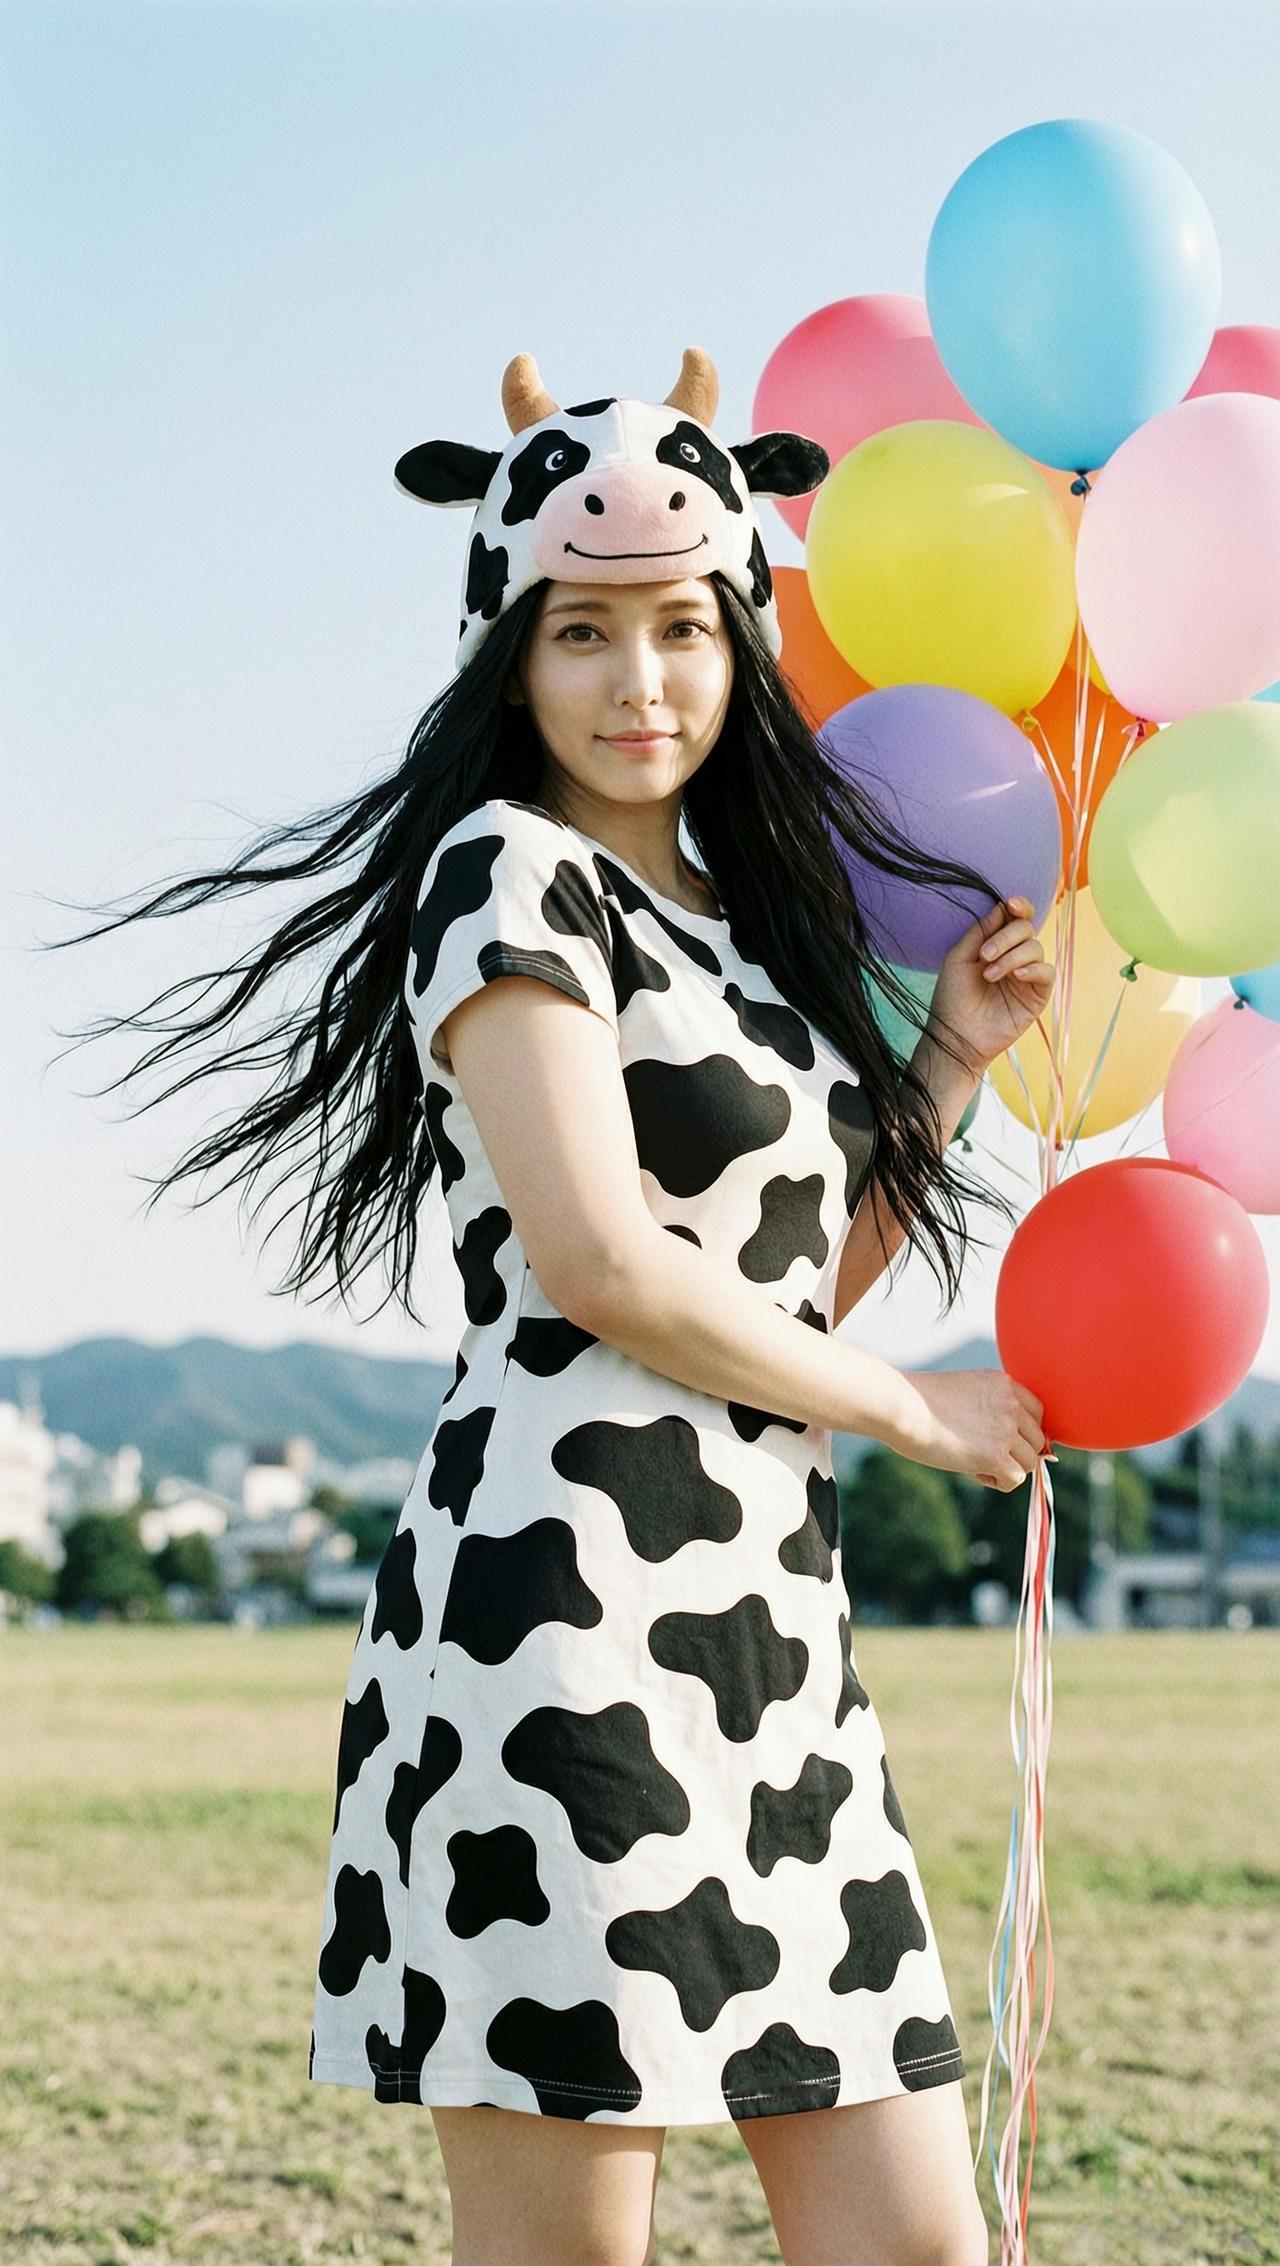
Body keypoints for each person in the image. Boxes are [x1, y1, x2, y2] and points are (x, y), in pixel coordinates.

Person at [52, 346, 1052, 2266]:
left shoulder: (757, 941)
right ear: (509, 657)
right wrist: (912, 1407)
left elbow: (787, 1281)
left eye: (681, 626)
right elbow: (596, 1261)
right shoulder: (504, 875)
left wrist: (948, 1068)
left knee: (917, 2238)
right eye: (582, 631)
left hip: (765, 1632)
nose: (638, 678)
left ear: (742, 636)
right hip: (559, 1628)